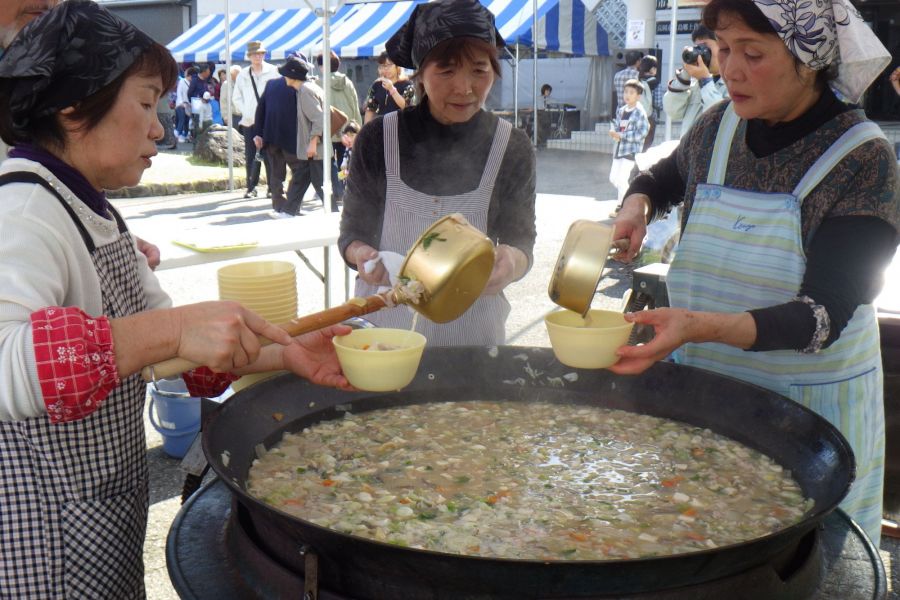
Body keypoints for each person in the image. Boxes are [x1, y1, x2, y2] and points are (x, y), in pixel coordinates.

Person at [0, 2, 352, 596]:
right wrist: (171, 332)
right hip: (39, 541)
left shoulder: (95, 209)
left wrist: (289, 351)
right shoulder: (25, 210)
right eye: (144, 104)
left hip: (101, 511)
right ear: (72, 105)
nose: (160, 128)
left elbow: (168, 349)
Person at [610, 0, 897, 546]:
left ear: (808, 59)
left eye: (752, 52)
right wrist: (638, 206)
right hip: (707, 399)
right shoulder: (718, 124)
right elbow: (661, 177)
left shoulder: (863, 158)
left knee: (794, 561)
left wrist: (696, 326)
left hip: (808, 427)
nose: (729, 69)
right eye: (722, 49)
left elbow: (821, 318)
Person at [340, 0, 537, 346]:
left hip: (474, 343)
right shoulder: (378, 138)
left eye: (479, 70)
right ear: (419, 72)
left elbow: (521, 239)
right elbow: (352, 234)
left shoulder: (511, 146)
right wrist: (363, 255)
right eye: (446, 70)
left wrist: (511, 263)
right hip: (385, 339)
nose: (465, 87)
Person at [270, 52, 327, 218]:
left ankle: (337, 214)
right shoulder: (306, 89)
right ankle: (288, 211)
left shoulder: (305, 91)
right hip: (311, 149)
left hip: (314, 149)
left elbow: (318, 118)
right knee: (300, 180)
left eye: (286, 74)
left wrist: (313, 142)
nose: (284, 77)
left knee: (322, 184)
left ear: (293, 75)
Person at [232, 40, 280, 199]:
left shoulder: (273, 71)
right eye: (255, 54)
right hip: (249, 121)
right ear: (249, 56)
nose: (258, 56)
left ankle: (273, 187)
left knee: (271, 155)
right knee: (252, 155)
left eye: (260, 53)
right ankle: (251, 187)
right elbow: (236, 98)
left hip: (269, 121)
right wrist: (247, 113)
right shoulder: (243, 75)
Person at [663, 24, 729, 136]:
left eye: (705, 47)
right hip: (689, 151)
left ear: (723, 47)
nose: (701, 53)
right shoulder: (697, 85)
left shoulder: (734, 85)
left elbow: (719, 118)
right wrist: (685, 75)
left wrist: (705, 80)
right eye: (697, 48)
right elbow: (672, 111)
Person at [253, 73, 302, 216]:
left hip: (271, 135)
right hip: (292, 136)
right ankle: (292, 203)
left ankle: (278, 203)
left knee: (276, 172)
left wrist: (258, 133)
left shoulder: (271, 84)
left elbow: (260, 110)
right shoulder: (298, 85)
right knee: (300, 171)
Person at [317, 50, 362, 206]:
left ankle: (337, 191)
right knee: (348, 160)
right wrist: (357, 127)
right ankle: (345, 190)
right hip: (348, 129)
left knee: (331, 161)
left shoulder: (319, 83)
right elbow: (355, 105)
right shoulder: (348, 82)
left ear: (322, 67)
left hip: (330, 129)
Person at [608, 79, 649, 212]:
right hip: (619, 149)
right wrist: (614, 131)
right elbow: (618, 125)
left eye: (631, 92)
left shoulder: (640, 113)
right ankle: (632, 198)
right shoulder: (621, 110)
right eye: (626, 91)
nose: (627, 95)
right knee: (613, 178)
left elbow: (642, 133)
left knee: (621, 179)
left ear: (638, 96)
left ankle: (622, 205)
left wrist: (622, 135)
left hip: (631, 151)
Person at [363, 51, 415, 124]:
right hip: (381, 127)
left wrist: (392, 89)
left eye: (389, 65)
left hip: (401, 127)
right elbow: (370, 109)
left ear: (397, 66)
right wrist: (366, 130)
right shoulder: (377, 85)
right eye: (383, 66)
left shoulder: (407, 85)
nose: (386, 69)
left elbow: (407, 107)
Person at [637, 54, 661, 150]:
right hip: (650, 117)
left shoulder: (637, 81)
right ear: (652, 69)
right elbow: (658, 103)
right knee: (646, 145)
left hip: (637, 116)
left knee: (638, 144)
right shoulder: (655, 83)